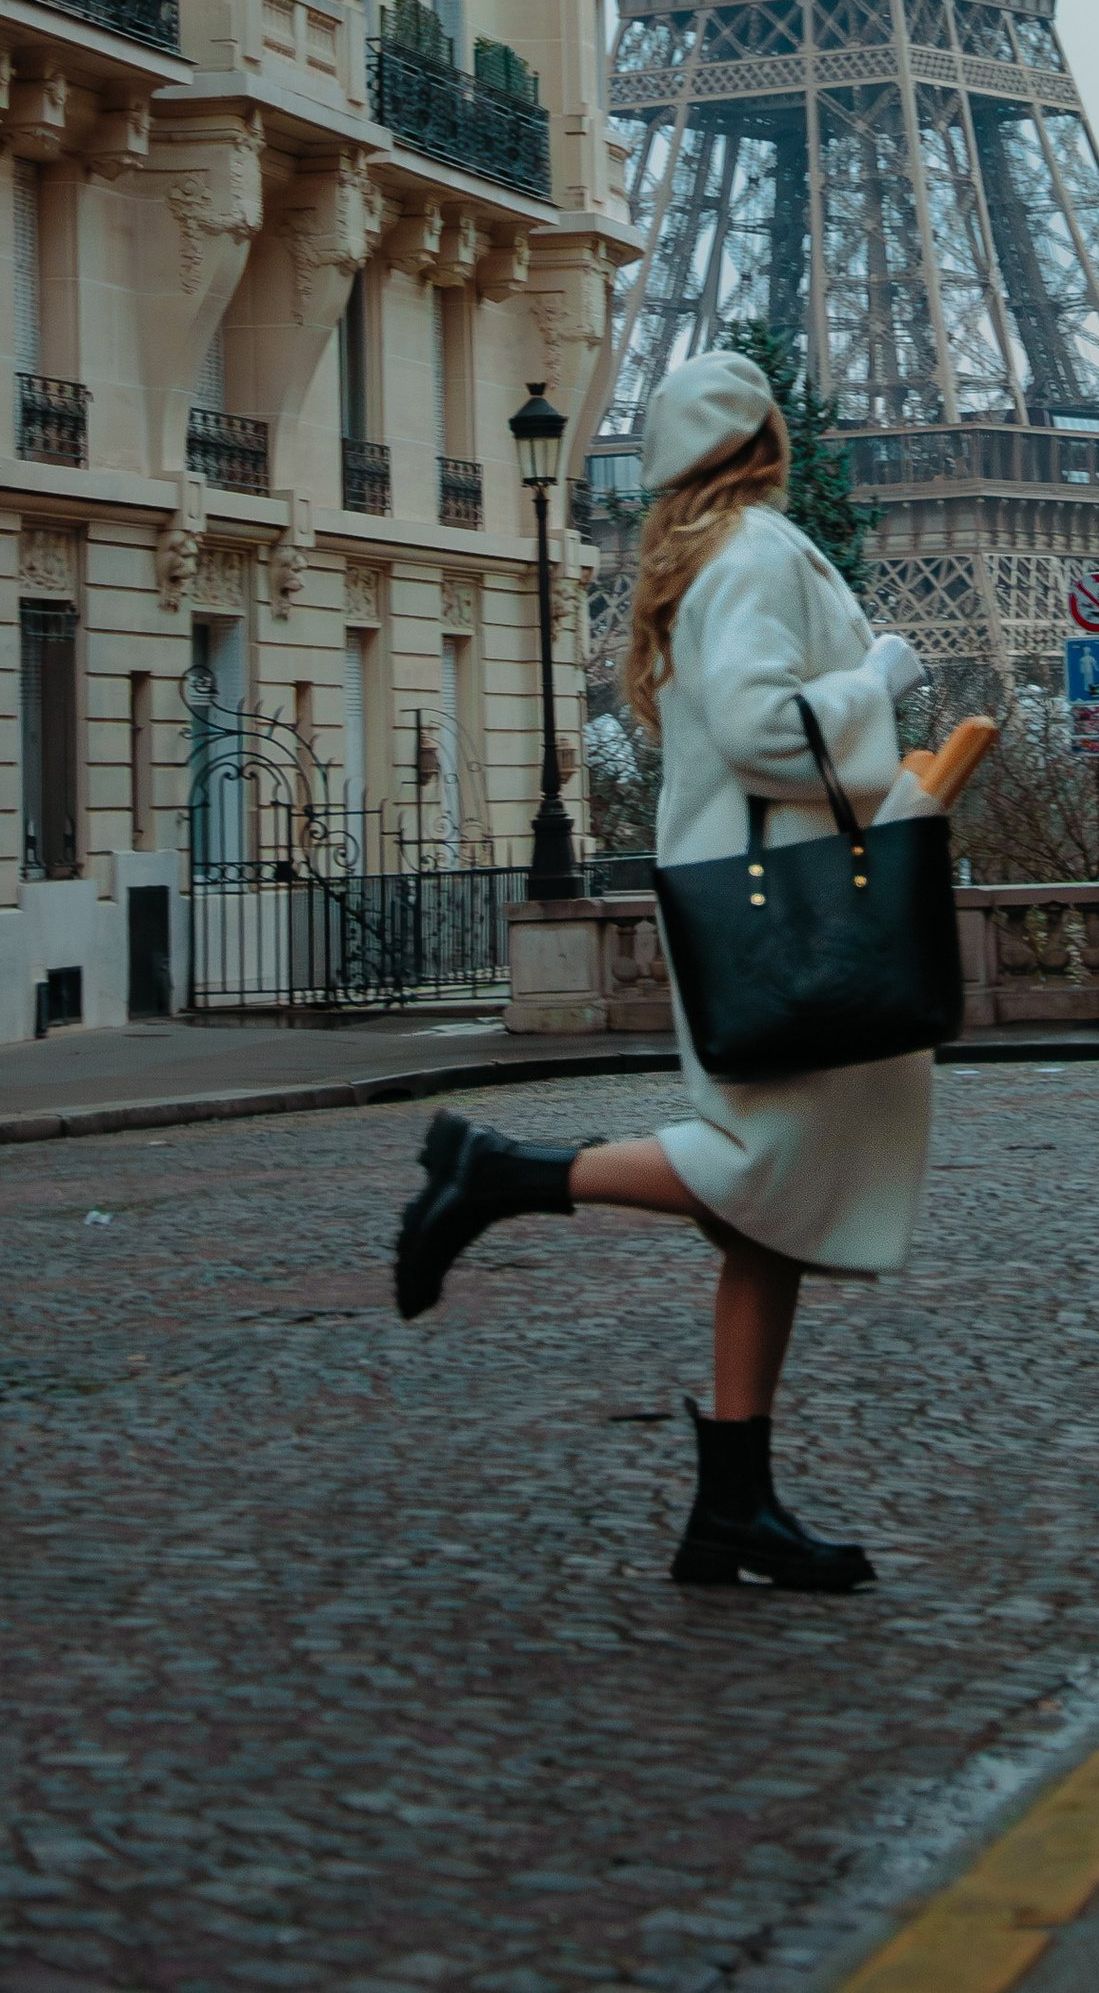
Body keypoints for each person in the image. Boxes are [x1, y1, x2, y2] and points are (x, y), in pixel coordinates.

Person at [392, 346, 932, 1594]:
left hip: (748, 898)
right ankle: (500, 1173)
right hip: (781, 916)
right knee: (762, 1168)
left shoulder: (713, 558)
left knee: (773, 1221)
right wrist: (878, 682)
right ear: (761, 442)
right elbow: (757, 731)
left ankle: (732, 1504)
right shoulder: (749, 554)